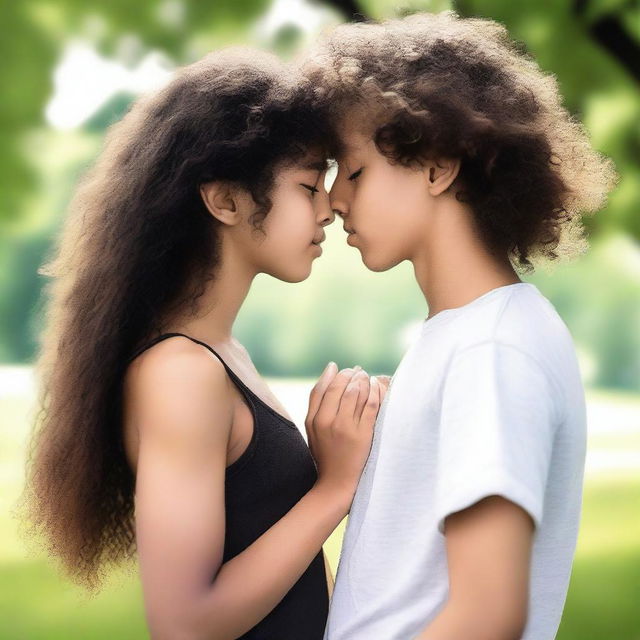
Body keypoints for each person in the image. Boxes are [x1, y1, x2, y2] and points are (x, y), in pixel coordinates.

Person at [19, 46, 387, 639]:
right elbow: (184, 624)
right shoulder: (180, 373)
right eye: (306, 184)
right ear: (225, 200)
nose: (330, 207)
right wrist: (334, 487)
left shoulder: (218, 355)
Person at [301, 11, 618, 640]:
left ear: (438, 167)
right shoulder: (464, 336)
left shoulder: (493, 348)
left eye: (355, 170)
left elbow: (487, 615)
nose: (334, 200)